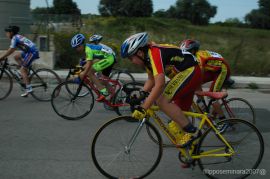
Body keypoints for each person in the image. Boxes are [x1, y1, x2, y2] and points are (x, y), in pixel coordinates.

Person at [121, 32, 202, 147]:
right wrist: (141, 93)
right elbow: (151, 80)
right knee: (178, 117)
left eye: (130, 58)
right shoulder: (147, 58)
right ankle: (194, 153)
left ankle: (193, 132)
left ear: (139, 52)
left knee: (161, 100)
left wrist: (144, 108)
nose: (131, 61)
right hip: (186, 74)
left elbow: (159, 84)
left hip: (191, 72)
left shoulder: (154, 53)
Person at [180, 39, 231, 119]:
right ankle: (208, 110)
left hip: (222, 70)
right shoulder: (194, 56)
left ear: (193, 51)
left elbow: (199, 79)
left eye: (187, 51)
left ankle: (223, 121)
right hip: (213, 70)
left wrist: (198, 94)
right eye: (183, 52)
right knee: (195, 85)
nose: (184, 54)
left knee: (211, 97)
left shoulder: (199, 59)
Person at [71, 34, 116, 101]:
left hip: (109, 58)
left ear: (82, 44)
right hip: (107, 57)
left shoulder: (88, 49)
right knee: (103, 81)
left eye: (78, 47)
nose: (77, 49)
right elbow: (89, 62)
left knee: (89, 72)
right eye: (75, 48)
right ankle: (115, 97)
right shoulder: (88, 47)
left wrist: (83, 73)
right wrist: (75, 73)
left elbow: (89, 64)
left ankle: (104, 92)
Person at [0, 25, 39, 97]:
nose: (6, 34)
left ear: (11, 33)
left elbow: (11, 50)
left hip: (32, 52)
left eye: (7, 33)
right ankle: (25, 71)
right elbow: (11, 49)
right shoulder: (17, 36)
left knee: (22, 70)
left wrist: (2, 57)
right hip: (29, 51)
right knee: (16, 57)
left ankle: (29, 88)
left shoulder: (15, 38)